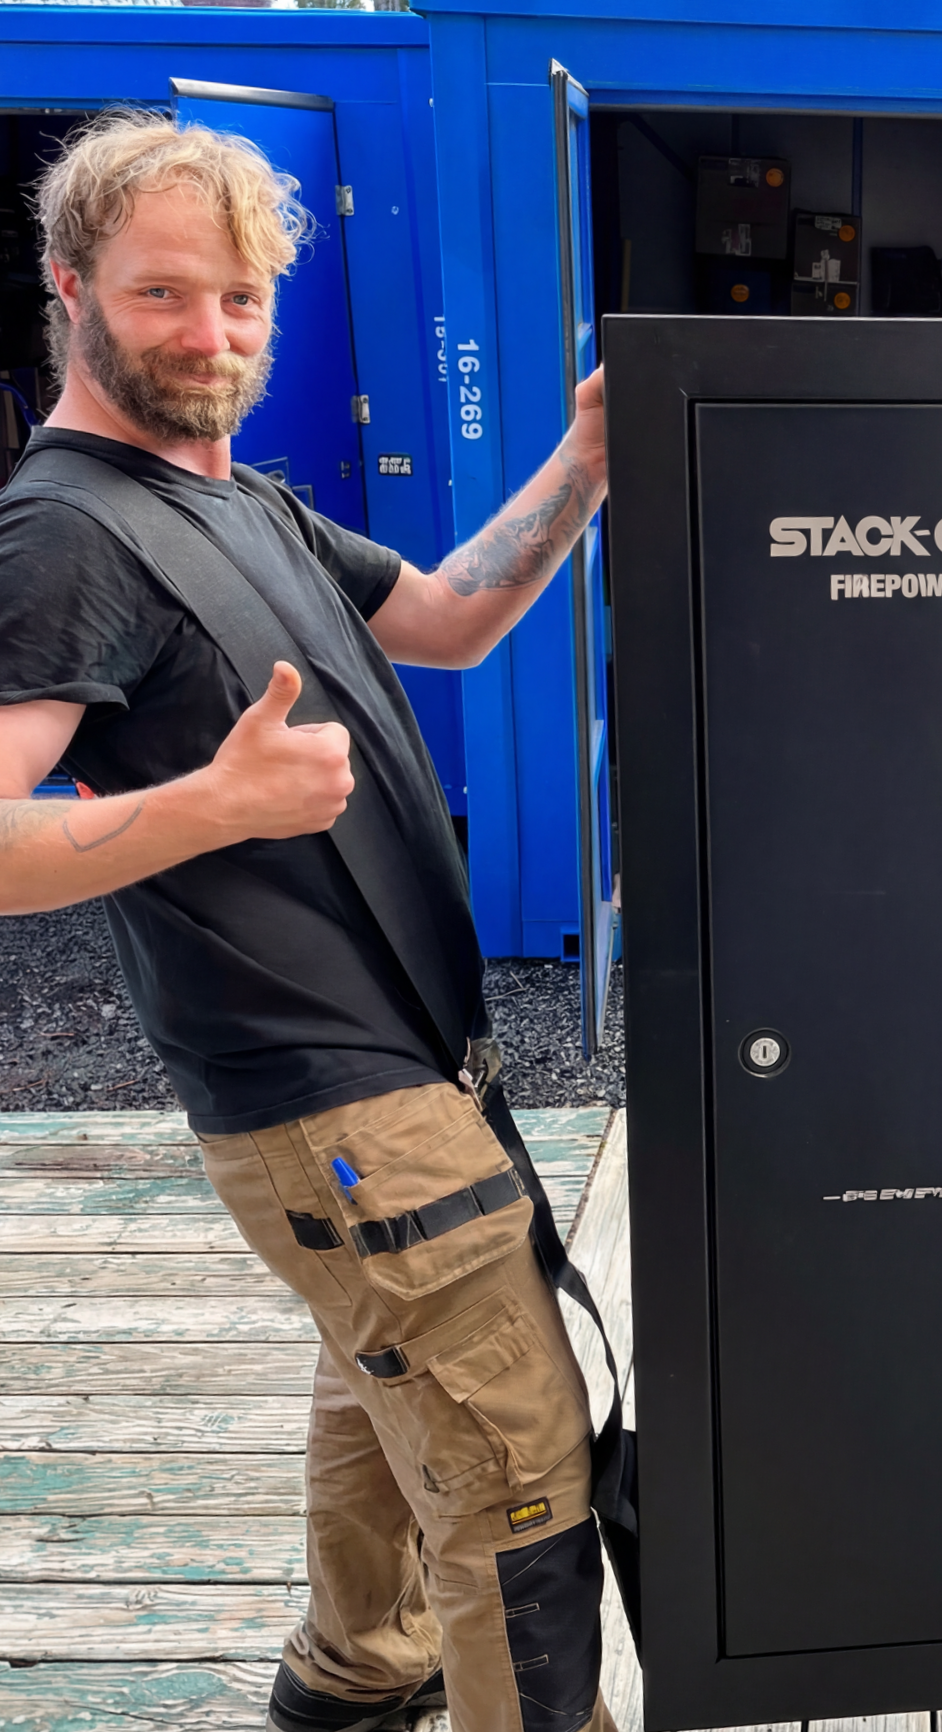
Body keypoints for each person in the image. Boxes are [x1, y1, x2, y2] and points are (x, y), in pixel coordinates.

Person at [0, 113, 615, 1732]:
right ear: (70, 291)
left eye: (244, 302)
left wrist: (589, 458)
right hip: (324, 1097)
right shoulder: (67, 529)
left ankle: (354, 1679)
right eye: (162, 298)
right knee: (522, 1475)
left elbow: (454, 619)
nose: (212, 337)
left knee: (387, 1381)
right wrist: (218, 801)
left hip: (412, 1060)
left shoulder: (242, 499)